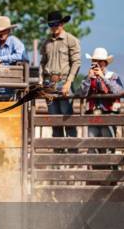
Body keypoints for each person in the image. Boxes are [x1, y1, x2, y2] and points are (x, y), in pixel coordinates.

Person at [40, 11, 81, 139]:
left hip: (63, 82)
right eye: (51, 24)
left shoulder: (71, 40)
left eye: (56, 24)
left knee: (67, 118)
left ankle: (72, 151)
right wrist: (41, 82)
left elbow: (76, 62)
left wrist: (68, 82)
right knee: (54, 120)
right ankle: (58, 152)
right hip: (49, 84)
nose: (54, 27)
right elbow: (43, 63)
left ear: (62, 23)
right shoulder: (46, 42)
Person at [80, 48, 123, 151]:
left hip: (109, 114)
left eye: (100, 61)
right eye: (94, 61)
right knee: (92, 144)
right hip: (92, 115)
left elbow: (118, 91)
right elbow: (82, 94)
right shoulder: (88, 77)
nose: (97, 64)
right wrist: (88, 79)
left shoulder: (112, 76)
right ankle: (95, 165)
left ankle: (109, 165)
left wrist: (103, 78)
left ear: (105, 63)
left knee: (108, 143)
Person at [0, 15, 29, 100]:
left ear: (9, 30)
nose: (1, 33)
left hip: (11, 86)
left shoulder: (15, 42)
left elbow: (22, 56)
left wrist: (3, 58)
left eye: (3, 30)